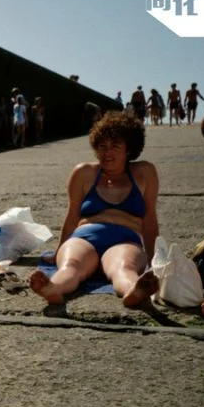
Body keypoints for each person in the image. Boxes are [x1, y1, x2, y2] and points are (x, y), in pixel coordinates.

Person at [29, 112, 161, 308]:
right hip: (84, 236)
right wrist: (58, 251)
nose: (107, 152)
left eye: (115, 146)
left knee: (124, 267)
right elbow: (72, 216)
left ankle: (133, 290)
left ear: (129, 149)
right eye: (102, 146)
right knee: (71, 265)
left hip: (125, 239)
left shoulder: (144, 173)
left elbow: (149, 220)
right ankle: (53, 288)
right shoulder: (83, 173)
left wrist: (154, 259)